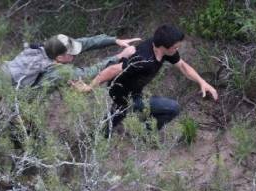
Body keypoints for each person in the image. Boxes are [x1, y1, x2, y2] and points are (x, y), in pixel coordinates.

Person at [74, 24, 218, 132]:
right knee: (172, 108)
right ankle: (143, 133)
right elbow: (112, 69)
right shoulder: (144, 60)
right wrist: (89, 87)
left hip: (133, 90)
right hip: (123, 95)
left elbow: (182, 66)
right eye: (175, 47)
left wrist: (202, 81)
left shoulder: (164, 49)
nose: (177, 50)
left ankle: (118, 125)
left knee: (111, 122)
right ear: (164, 47)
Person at [5, 34, 140, 89]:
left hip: (4, 75)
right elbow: (88, 73)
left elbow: (86, 43)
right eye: (71, 54)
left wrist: (114, 40)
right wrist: (119, 57)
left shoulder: (49, 47)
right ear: (59, 58)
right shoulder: (57, 72)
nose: (74, 55)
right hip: (17, 104)